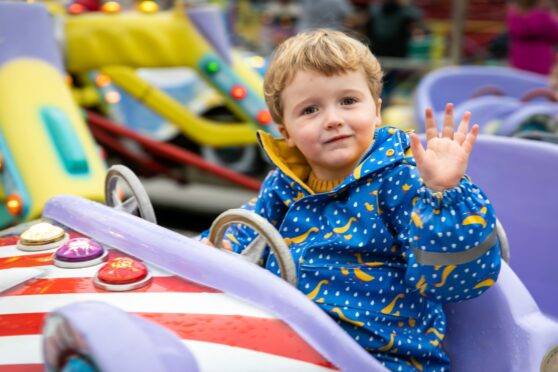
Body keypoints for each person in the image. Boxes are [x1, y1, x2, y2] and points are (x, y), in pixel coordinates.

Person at [201, 29, 501, 371]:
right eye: (310, 109)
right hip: (288, 341)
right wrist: (213, 246)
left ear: (376, 110)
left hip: (383, 357)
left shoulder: (403, 180)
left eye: (348, 101)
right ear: (287, 132)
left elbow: (456, 280)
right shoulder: (284, 184)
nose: (333, 119)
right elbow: (250, 229)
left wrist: (444, 194)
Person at [506, 0, 558, 75]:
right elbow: (555, 35)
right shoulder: (544, 18)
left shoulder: (514, 17)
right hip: (541, 60)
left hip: (519, 59)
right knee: (539, 85)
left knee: (519, 82)